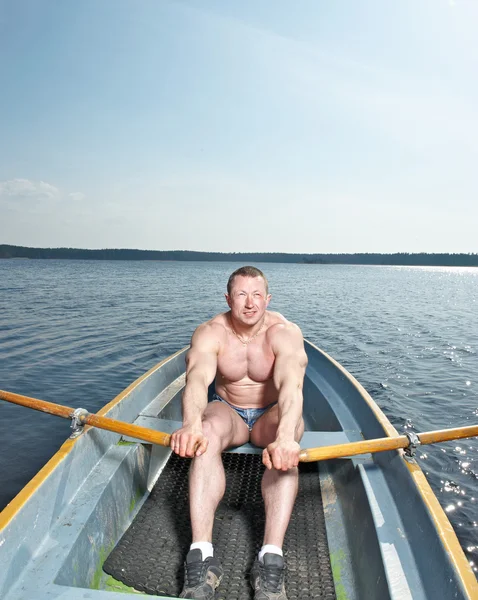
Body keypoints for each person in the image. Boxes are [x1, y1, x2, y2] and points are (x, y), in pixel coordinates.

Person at [171, 265, 307, 600]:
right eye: (241, 295)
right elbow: (197, 381)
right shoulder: (210, 332)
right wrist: (190, 425)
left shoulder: (284, 332)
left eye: (257, 295)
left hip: (269, 415)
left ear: (267, 298)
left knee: (286, 442)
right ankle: (202, 555)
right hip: (228, 411)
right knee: (203, 434)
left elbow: (291, 386)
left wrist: (287, 437)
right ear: (228, 298)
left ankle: (269, 558)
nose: (250, 303)